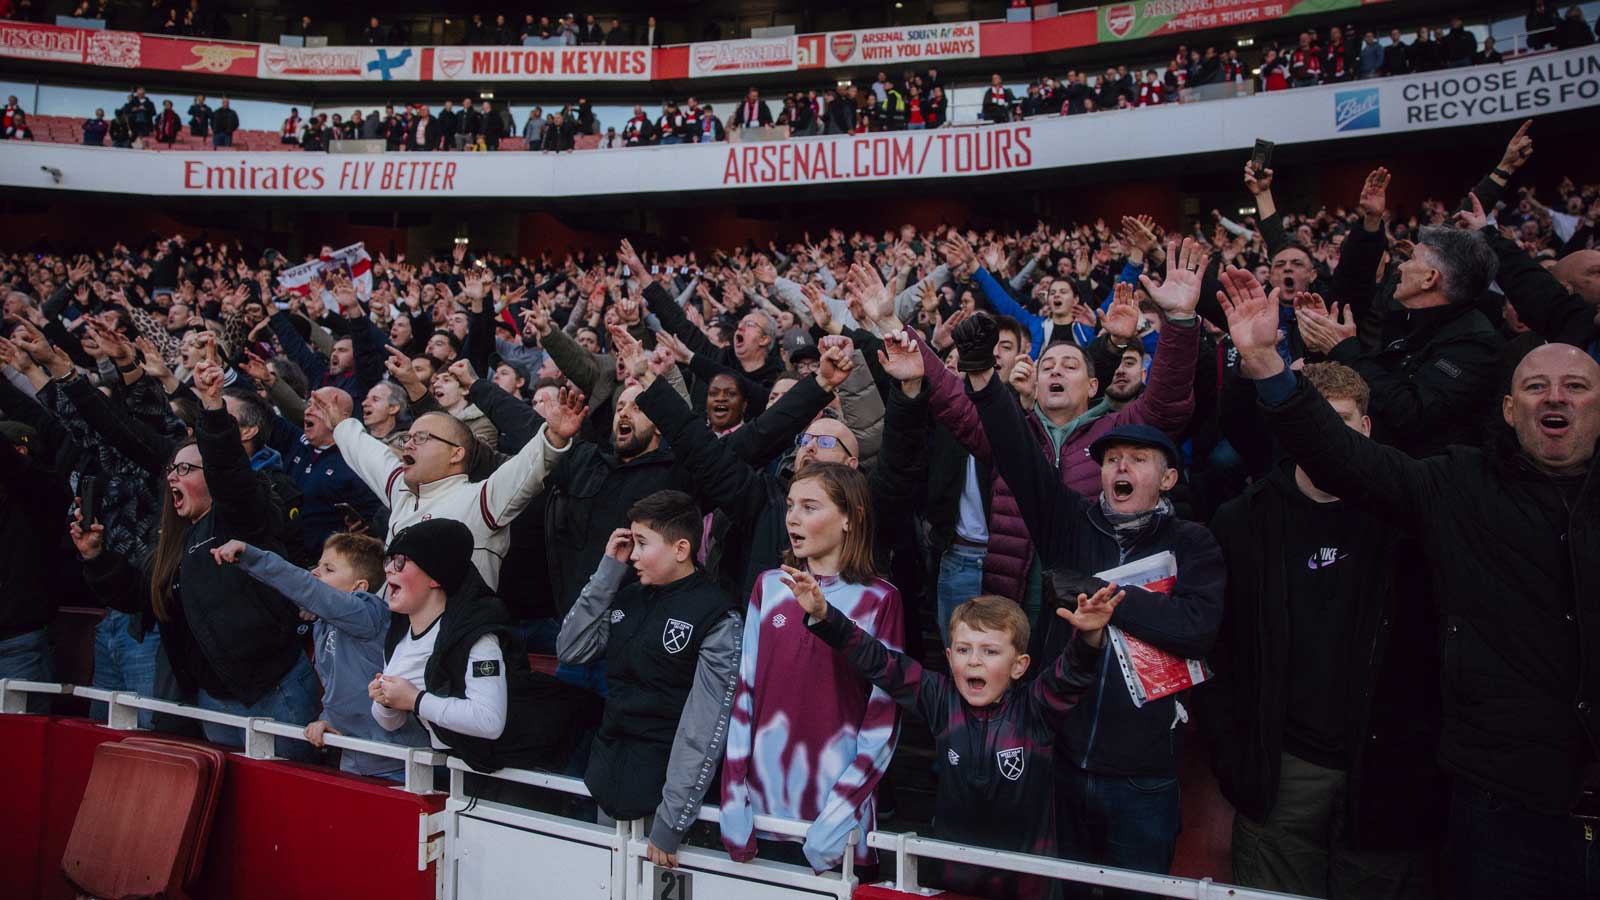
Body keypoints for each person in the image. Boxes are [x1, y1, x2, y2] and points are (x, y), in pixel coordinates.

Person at [1217, 263, 1600, 900]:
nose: (1555, 398)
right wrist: (1266, 367)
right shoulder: (1458, 483)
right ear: (1509, 409)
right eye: (1536, 386)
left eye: (1576, 386)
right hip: (1501, 802)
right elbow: (1342, 458)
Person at [1197, 362, 1442, 898]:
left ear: (1367, 429)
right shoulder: (1242, 519)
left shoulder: (1414, 518)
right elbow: (1215, 650)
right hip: (1280, 773)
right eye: (1315, 421)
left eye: (1341, 423)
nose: (1325, 439)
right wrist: (1237, 760)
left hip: (1386, 776)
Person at [802, 582, 1119, 899]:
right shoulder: (941, 700)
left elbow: (1070, 676)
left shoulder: (1035, 709)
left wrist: (1088, 638)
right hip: (953, 873)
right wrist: (826, 616)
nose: (974, 661)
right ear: (949, 656)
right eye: (964, 650)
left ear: (1019, 666)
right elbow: (881, 663)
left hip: (1025, 881)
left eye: (990, 651)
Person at [72, 362, 319, 762]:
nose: (173, 477)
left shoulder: (241, 517)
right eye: (172, 470)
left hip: (270, 691)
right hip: (211, 698)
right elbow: (138, 596)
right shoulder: (176, 539)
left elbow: (232, 475)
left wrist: (213, 407)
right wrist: (96, 557)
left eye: (186, 469)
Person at [720, 463, 905, 872]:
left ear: (849, 517)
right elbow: (743, 694)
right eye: (790, 506)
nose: (792, 518)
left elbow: (883, 718)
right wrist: (733, 795)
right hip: (760, 817)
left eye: (809, 506)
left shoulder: (880, 599)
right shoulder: (768, 586)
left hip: (835, 829)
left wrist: (840, 813)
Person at [558, 492, 741, 868]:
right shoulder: (628, 598)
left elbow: (704, 726)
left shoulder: (717, 615)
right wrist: (608, 571)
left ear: (681, 549)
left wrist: (673, 819)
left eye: (642, 543)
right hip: (607, 783)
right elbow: (571, 649)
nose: (633, 555)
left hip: (669, 811)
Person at [1293, 169, 1500, 457]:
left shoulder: (1474, 344)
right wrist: (1371, 221)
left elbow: (1412, 414)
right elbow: (1355, 281)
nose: (1401, 266)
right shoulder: (1405, 313)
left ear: (1430, 278)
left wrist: (1344, 348)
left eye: (1411, 259)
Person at [370, 518, 597, 773]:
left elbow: (489, 720)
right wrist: (386, 701)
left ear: (435, 576)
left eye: (400, 562)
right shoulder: (399, 635)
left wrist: (415, 699)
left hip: (546, 753)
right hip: (467, 761)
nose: (389, 569)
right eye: (388, 560)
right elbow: (391, 723)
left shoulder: (478, 635)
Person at [312, 379, 583, 588]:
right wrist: (341, 425)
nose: (408, 444)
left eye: (421, 438)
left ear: (456, 453)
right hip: (398, 635)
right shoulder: (402, 491)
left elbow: (527, 467)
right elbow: (367, 453)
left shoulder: (480, 500)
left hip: (457, 638)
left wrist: (554, 436)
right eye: (408, 438)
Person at [211, 533, 428, 779]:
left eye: (328, 569)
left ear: (359, 587)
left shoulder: (367, 612)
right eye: (318, 565)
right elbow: (335, 685)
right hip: (353, 756)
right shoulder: (323, 625)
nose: (315, 573)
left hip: (398, 762)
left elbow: (309, 590)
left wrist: (253, 557)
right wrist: (327, 719)